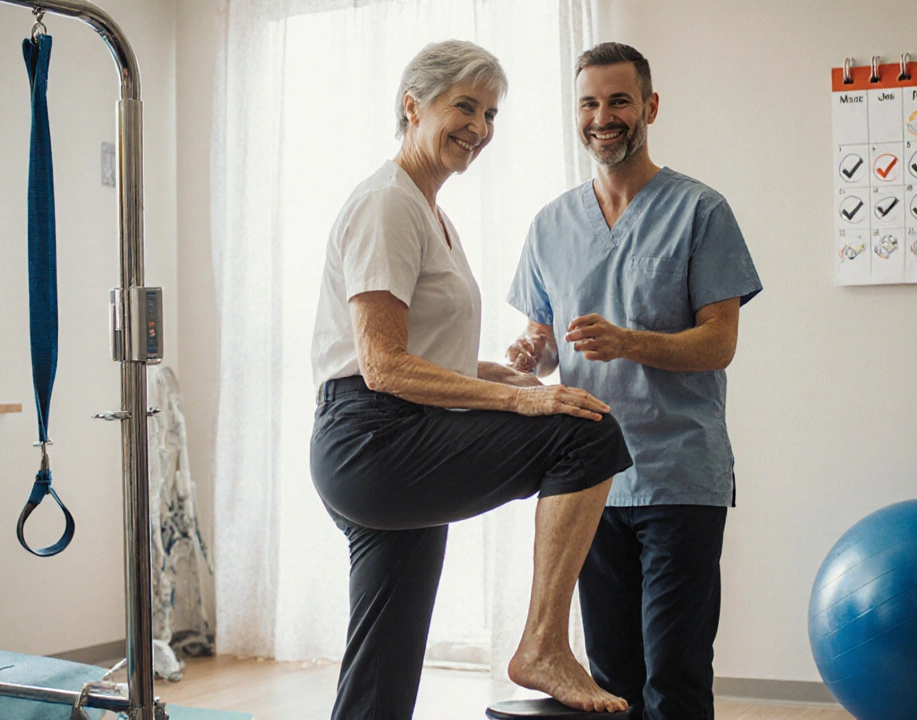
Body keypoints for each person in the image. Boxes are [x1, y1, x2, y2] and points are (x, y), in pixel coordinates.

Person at [309, 40, 632, 720]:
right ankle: (543, 645)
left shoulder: (427, 211)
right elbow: (383, 364)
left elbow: (429, 358)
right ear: (411, 104)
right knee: (587, 436)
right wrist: (522, 400)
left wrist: (507, 372)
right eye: (465, 106)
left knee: (383, 666)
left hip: (391, 435)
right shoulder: (387, 204)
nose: (479, 129)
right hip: (371, 440)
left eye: (490, 114)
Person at [506, 42, 762, 720]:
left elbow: (719, 343)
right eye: (589, 103)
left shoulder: (701, 211)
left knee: (674, 675)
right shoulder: (551, 225)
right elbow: (542, 340)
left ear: (650, 106)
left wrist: (629, 342)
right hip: (589, 483)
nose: (603, 116)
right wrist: (533, 350)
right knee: (608, 680)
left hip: (680, 474)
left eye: (619, 101)